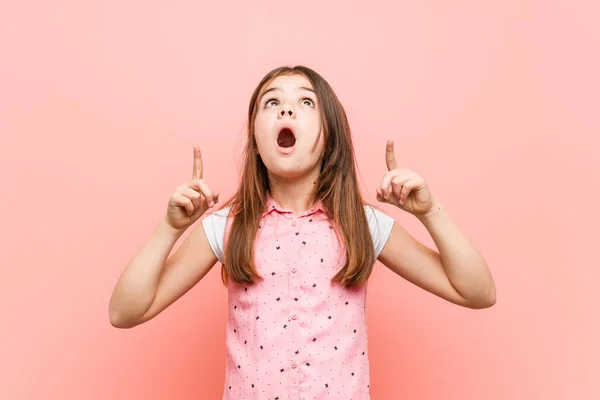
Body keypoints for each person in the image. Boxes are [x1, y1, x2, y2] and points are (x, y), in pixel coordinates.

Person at [108, 65, 496, 399]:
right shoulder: (228, 226)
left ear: (330, 139)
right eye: (271, 102)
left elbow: (477, 291)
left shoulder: (360, 224)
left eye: (306, 102)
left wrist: (430, 212)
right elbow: (124, 312)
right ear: (256, 143)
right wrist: (169, 228)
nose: (287, 108)